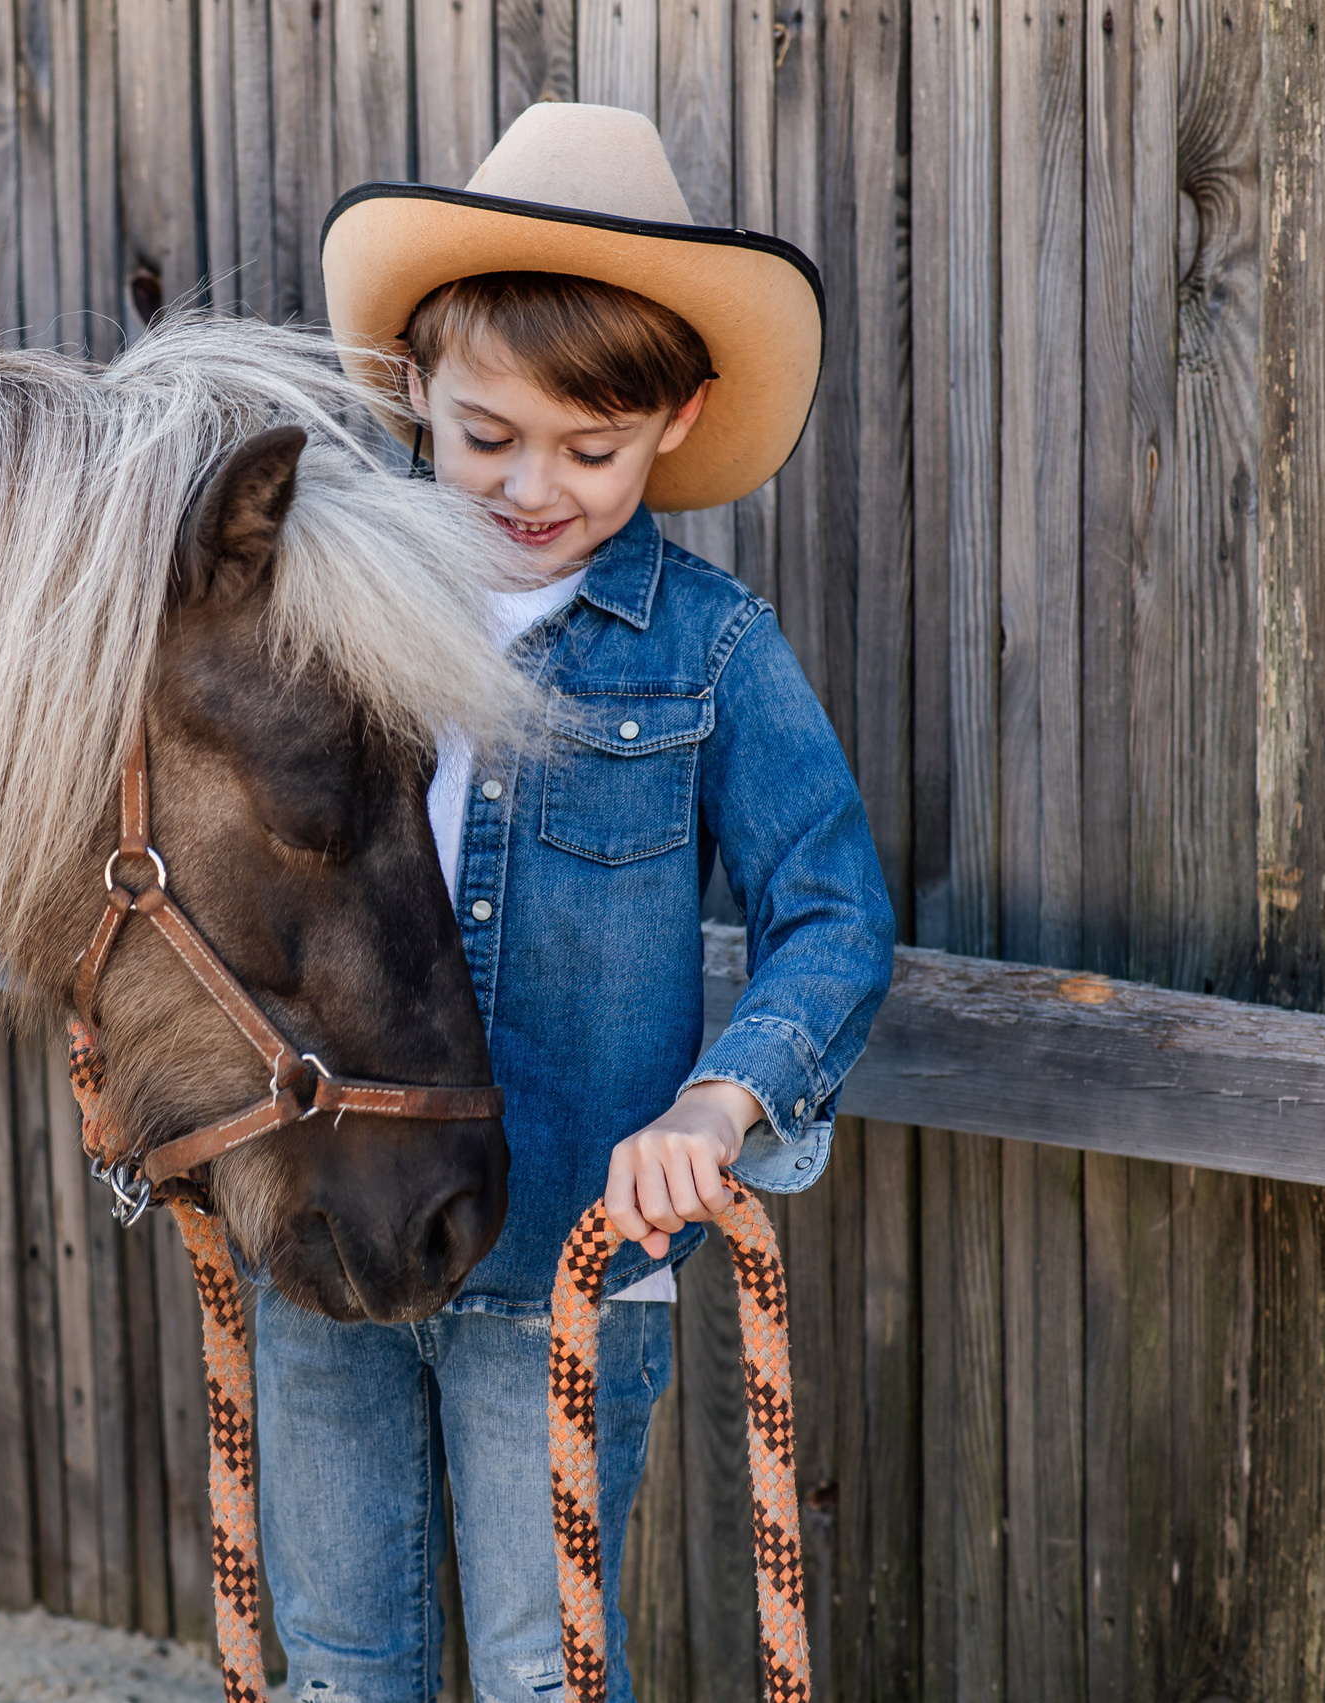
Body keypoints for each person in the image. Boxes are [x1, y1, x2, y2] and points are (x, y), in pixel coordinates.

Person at [257, 103, 895, 1703]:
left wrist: (719, 1100)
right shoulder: (318, 612)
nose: (533, 487)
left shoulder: (712, 651)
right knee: (341, 1662)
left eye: (590, 450)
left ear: (675, 421)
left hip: (565, 1258)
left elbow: (835, 916)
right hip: (330, 1224)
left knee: (548, 1668)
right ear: (412, 390)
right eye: (487, 437)